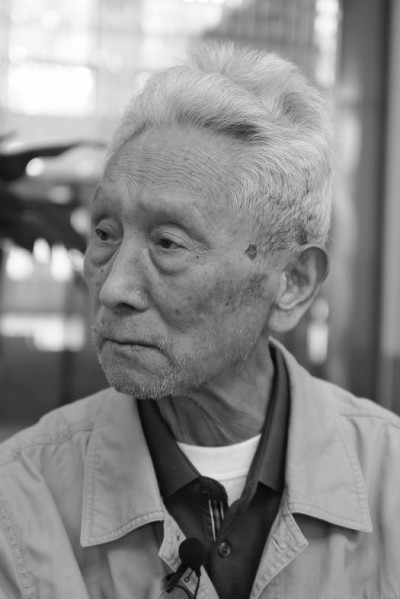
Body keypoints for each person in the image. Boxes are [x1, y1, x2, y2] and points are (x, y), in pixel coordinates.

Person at [0, 42, 399, 599]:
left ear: (293, 282)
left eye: (168, 243)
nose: (113, 288)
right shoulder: (20, 498)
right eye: (105, 233)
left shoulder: (389, 480)